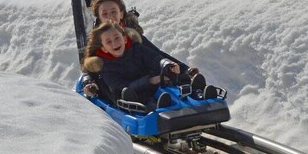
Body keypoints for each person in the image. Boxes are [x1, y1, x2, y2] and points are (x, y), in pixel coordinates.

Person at [83, 21, 212, 108]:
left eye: (117, 38)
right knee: (139, 96)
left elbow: (155, 59)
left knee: (173, 80)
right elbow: (119, 86)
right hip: (131, 93)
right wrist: (150, 81)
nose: (115, 43)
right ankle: (158, 107)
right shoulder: (105, 66)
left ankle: (198, 94)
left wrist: (167, 65)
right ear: (104, 49)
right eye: (109, 42)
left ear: (125, 38)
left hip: (152, 85)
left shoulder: (137, 49)